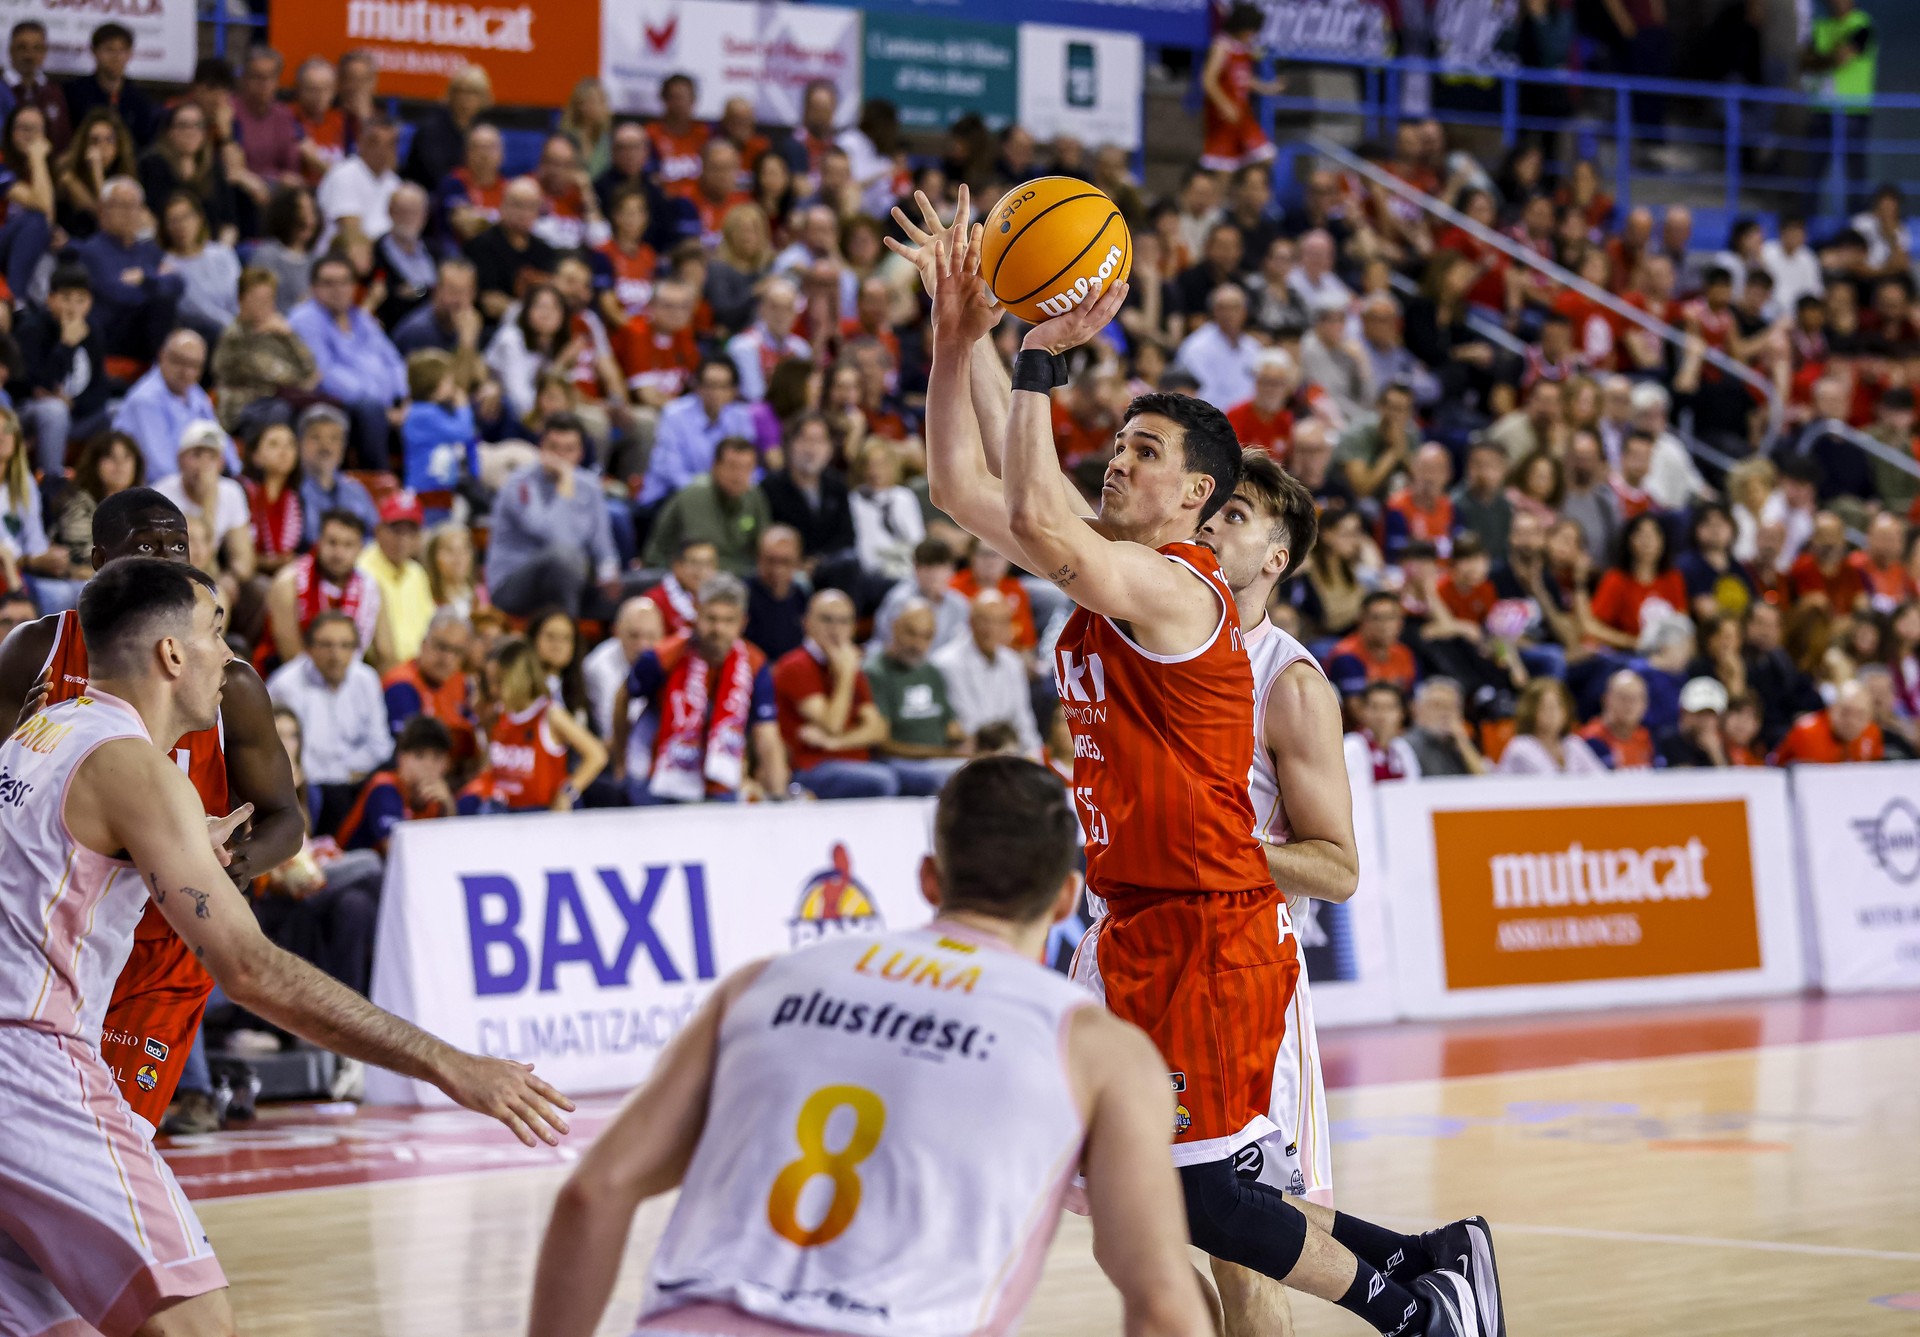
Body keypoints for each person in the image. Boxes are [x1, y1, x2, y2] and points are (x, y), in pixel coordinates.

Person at [910, 191, 1491, 1335]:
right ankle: (1427, 1261)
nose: (1118, 463)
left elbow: (1035, 509)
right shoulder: (1115, 569)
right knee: (1143, 1190)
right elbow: (964, 490)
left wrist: (1035, 356)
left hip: (1210, 930)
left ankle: (1413, 1303)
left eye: (1144, 452)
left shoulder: (1179, 589)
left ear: (1196, 498)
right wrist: (958, 334)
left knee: (1196, 1198)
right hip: (1131, 922)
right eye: (1119, 444)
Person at [0, 559, 571, 1337]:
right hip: (32, 1065)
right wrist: (448, 1064)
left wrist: (174, 842)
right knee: (196, 1320)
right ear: (172, 653)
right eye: (215, 633)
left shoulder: (44, 729)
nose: (229, 656)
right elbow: (252, 970)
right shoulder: (135, 767)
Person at [531, 755, 1211, 1337]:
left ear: (929, 878)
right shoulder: (1099, 1050)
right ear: (1066, 897)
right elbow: (1161, 1305)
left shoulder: (762, 983)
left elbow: (593, 1193)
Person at [0, 487, 305, 1135]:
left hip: (165, 944)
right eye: (147, 547)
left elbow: (285, 817)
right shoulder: (37, 651)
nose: (166, 560)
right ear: (99, 561)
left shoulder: (228, 681)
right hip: (59, 934)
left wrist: (226, 863)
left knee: (115, 1134)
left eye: (178, 547)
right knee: (42, 1136)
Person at [1191, 448, 1358, 1337]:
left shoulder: (1287, 682)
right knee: (1143, 1228)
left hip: (1244, 976)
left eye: (1238, 515)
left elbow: (1338, 867)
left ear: (1275, 557)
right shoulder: (1160, 644)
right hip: (1146, 962)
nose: (1213, 522)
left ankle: (1425, 1291)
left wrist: (1226, 846)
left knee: (1244, 1248)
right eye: (1211, 507)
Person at [613, 573, 785, 804]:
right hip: (659, 777)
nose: (718, 629)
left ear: (743, 622)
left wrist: (778, 796)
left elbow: (767, 735)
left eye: (729, 620)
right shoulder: (663, 657)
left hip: (719, 779)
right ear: (696, 612)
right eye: (711, 618)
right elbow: (623, 697)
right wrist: (620, 761)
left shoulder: (755, 664)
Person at [267, 610, 393, 833]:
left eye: (345, 646)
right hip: (310, 784)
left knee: (385, 784)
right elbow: (291, 754)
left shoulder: (367, 680)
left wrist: (345, 773)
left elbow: (380, 745)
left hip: (355, 780)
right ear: (308, 648)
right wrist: (343, 774)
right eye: (326, 645)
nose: (336, 655)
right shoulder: (285, 686)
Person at [487, 414, 620, 620]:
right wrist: (565, 487)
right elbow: (557, 539)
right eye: (554, 448)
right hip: (512, 584)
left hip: (571, 581)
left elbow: (603, 546)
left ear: (581, 453)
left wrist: (608, 573)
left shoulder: (590, 486)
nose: (560, 457)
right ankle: (567, 631)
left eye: (569, 449)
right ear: (541, 447)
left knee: (639, 591)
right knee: (563, 558)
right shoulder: (520, 483)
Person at [772, 588, 898, 798]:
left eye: (844, 621)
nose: (835, 629)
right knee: (883, 781)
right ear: (807, 622)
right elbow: (832, 724)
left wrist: (836, 743)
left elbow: (878, 730)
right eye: (827, 619)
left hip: (857, 763)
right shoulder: (795, 666)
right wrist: (846, 676)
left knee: (930, 778)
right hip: (811, 767)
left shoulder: (849, 664)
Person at [289, 252, 409, 470]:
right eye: (329, 283)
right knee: (369, 409)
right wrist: (384, 407)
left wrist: (404, 398)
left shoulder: (361, 318)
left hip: (387, 406)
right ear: (313, 287)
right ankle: (380, 478)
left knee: (428, 407)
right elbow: (326, 374)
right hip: (339, 405)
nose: (338, 290)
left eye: (344, 282)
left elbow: (393, 361)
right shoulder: (305, 319)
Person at [462, 635, 607, 813]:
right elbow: (491, 763)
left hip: (539, 812)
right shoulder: (499, 713)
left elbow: (597, 755)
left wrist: (567, 793)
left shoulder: (550, 714)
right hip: (503, 808)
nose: (493, 690)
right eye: (490, 682)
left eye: (499, 682)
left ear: (519, 678)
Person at [16, 263, 112, 476]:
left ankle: (99, 481)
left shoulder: (93, 331)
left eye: (80, 300)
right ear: (50, 299)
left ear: (90, 302)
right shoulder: (32, 329)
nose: (72, 307)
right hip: (33, 413)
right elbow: (36, 384)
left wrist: (73, 403)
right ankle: (51, 481)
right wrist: (66, 345)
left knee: (116, 412)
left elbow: (100, 388)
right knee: (54, 410)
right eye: (66, 298)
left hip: (75, 413)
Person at [266, 506, 392, 668]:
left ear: (360, 549)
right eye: (332, 543)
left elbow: (386, 654)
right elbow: (290, 655)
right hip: (296, 675)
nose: (338, 553)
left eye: (348, 545)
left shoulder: (371, 589)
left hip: (351, 677)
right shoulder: (288, 583)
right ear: (318, 542)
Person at [866, 598, 970, 793]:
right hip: (897, 762)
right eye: (911, 633)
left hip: (938, 759)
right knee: (948, 777)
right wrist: (943, 754)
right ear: (894, 627)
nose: (918, 644)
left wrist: (972, 744)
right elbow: (883, 744)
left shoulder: (931, 670)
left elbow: (952, 728)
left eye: (926, 636)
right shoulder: (876, 672)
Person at [931, 589, 1041, 757]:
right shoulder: (946, 663)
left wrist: (1035, 754)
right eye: (985, 621)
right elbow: (968, 722)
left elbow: (1023, 719)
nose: (992, 629)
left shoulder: (1013, 663)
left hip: (1009, 750)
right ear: (971, 621)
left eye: (1000, 622)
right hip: (970, 753)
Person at [641, 434, 770, 577]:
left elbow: (764, 547)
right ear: (715, 466)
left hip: (738, 577)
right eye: (733, 466)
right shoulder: (693, 496)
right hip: (692, 577)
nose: (739, 476)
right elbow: (659, 551)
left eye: (747, 468)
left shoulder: (754, 496)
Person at [642, 357, 759, 509]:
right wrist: (710, 494)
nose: (715, 393)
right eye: (710, 385)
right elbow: (671, 472)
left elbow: (749, 466)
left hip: (722, 497)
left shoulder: (740, 416)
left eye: (723, 386)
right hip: (670, 498)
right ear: (697, 386)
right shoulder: (674, 414)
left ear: (734, 390)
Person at [358, 492, 435, 662]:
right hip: (380, 667)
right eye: (396, 530)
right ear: (378, 530)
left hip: (419, 666)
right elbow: (378, 650)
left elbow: (430, 627)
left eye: (411, 532)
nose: (403, 540)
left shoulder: (417, 573)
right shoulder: (363, 571)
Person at [61, 22, 157, 146]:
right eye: (109, 49)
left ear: (130, 54)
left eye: (122, 50)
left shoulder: (140, 100)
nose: (116, 57)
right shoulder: (74, 93)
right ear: (94, 51)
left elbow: (145, 143)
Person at [295, 403, 379, 543]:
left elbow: (377, 537)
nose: (325, 446)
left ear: (343, 447)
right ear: (300, 444)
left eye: (334, 438)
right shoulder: (292, 490)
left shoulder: (356, 490)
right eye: (315, 437)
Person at [582, 595, 663, 739]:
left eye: (650, 636)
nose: (642, 646)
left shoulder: (668, 659)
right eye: (634, 636)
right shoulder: (600, 667)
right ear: (616, 632)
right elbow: (612, 733)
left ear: (662, 636)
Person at [1498, 678, 1605, 774]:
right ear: (1531, 712)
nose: (1554, 714)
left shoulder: (1572, 744)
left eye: (1559, 707)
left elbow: (1600, 777)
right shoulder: (1521, 747)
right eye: (1547, 708)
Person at [1770, 677, 1884, 764]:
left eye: (1860, 715)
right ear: (1832, 709)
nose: (1852, 721)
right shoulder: (1807, 733)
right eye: (1846, 713)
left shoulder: (1872, 733)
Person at [743, 525, 807, 661]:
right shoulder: (742, 594)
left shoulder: (802, 597)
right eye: (770, 560)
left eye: (785, 562)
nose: (777, 570)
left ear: (798, 562)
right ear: (758, 558)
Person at [1402, 678, 1489, 777]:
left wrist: (1463, 742)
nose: (1444, 713)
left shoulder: (1461, 744)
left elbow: (1486, 780)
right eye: (1437, 706)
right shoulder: (1405, 746)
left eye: (1451, 707)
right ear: (1417, 709)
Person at [1578, 668, 1658, 770]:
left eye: (1636, 698)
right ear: (1606, 699)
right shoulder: (1587, 740)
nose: (1630, 705)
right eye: (1623, 697)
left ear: (1645, 703)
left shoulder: (1649, 738)